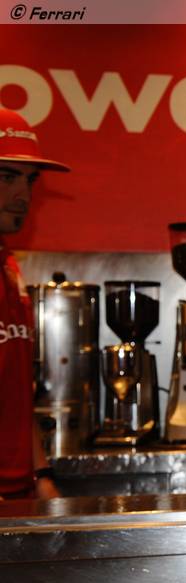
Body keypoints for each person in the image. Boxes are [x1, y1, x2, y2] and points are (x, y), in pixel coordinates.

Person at [0, 108, 68, 501]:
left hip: (18, 493)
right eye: (6, 177)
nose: (23, 195)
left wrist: (41, 475)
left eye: (29, 180)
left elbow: (15, 390)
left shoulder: (10, 269)